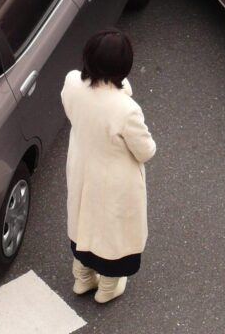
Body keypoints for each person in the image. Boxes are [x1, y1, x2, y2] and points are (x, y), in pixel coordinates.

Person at [61, 29, 156, 304]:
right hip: (114, 181)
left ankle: (82, 278)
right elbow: (146, 151)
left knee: (82, 222)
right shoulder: (126, 109)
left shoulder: (71, 84)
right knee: (112, 233)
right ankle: (107, 288)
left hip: (81, 167)